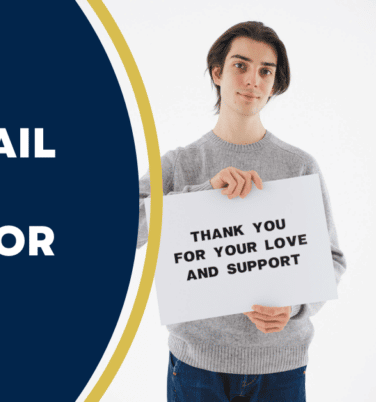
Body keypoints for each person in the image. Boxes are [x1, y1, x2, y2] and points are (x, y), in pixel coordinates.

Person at [136, 21, 346, 402]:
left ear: (274, 84)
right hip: (196, 367)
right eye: (240, 65)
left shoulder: (300, 166)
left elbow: (331, 259)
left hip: (281, 368)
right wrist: (204, 193)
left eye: (266, 71)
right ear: (217, 73)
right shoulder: (180, 164)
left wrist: (295, 306)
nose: (253, 80)